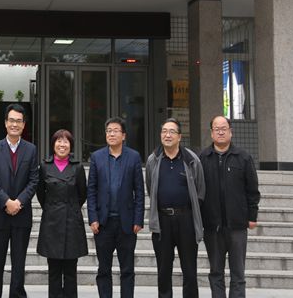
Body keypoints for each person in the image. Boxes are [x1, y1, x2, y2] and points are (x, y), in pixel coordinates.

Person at [200, 115, 260, 298]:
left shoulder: (243, 157)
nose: (220, 132)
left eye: (223, 128)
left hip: (237, 226)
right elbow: (197, 191)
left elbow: (252, 190)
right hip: (212, 227)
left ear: (230, 132)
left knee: (238, 274)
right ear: (211, 133)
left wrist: (252, 216)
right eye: (216, 129)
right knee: (215, 273)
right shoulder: (203, 158)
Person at [145, 118, 205, 298]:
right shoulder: (153, 160)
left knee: (189, 269)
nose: (167, 135)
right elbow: (150, 187)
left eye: (172, 131)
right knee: (163, 269)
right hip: (162, 220)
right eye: (164, 131)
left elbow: (200, 191)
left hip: (186, 219)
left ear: (179, 136)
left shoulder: (191, 159)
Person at [0, 103, 39, 298]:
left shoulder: (31, 150)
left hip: (22, 216)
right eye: (11, 120)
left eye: (18, 121)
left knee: (19, 263)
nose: (14, 124)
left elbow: (34, 180)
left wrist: (19, 202)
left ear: (23, 125)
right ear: (5, 123)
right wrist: (6, 201)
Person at [87, 117, 144, 298]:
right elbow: (91, 190)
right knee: (104, 269)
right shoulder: (97, 157)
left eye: (115, 131)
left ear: (124, 135)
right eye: (109, 131)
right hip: (103, 223)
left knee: (127, 269)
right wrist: (93, 218)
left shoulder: (133, 157)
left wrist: (138, 219)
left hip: (127, 223)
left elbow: (139, 191)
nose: (111, 134)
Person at [36, 129, 87, 298]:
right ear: (53, 144)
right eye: (59, 141)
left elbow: (82, 194)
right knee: (54, 271)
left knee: (71, 271)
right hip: (51, 224)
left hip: (72, 223)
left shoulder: (78, 167)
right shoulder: (44, 166)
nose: (62, 145)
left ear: (70, 145)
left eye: (66, 141)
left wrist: (70, 208)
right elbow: (41, 194)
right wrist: (52, 208)